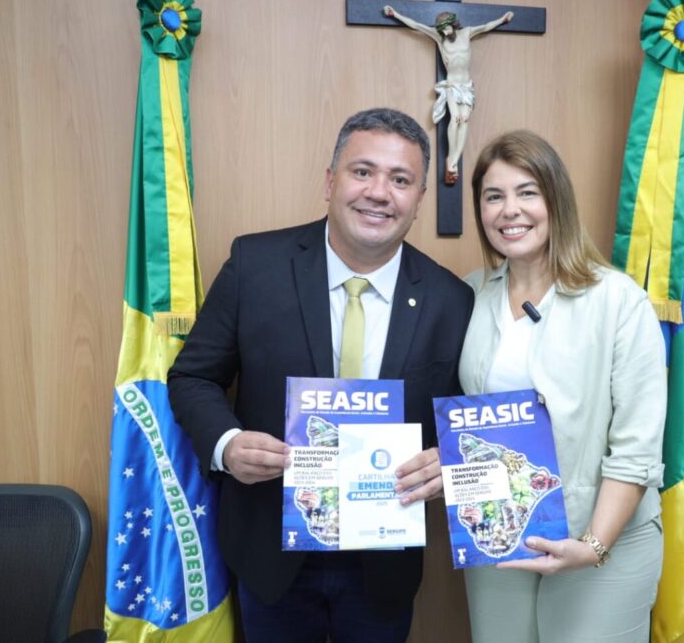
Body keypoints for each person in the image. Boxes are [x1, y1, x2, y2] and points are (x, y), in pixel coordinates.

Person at [167, 108, 474, 642]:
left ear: (420, 198)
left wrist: (448, 461)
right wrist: (227, 445)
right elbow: (192, 377)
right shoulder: (254, 265)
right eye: (363, 171)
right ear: (331, 181)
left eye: (400, 180)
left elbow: (464, 419)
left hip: (384, 559)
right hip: (271, 553)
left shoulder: (451, 299)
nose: (379, 193)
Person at [458, 130, 667, 642]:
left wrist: (594, 545)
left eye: (527, 192)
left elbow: (637, 446)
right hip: (499, 537)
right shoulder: (468, 295)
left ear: (556, 200)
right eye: (493, 196)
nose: (510, 210)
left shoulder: (619, 301)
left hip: (604, 543)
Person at [383, 5, 513, 185]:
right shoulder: (439, 38)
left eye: (446, 28)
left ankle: (454, 160)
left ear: (453, 24)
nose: (444, 32)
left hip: (466, 85)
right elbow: (416, 25)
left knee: (465, 119)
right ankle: (451, 159)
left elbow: (486, 27)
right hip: (451, 85)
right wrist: (395, 14)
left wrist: (503, 19)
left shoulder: (466, 33)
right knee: (456, 118)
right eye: (441, 29)